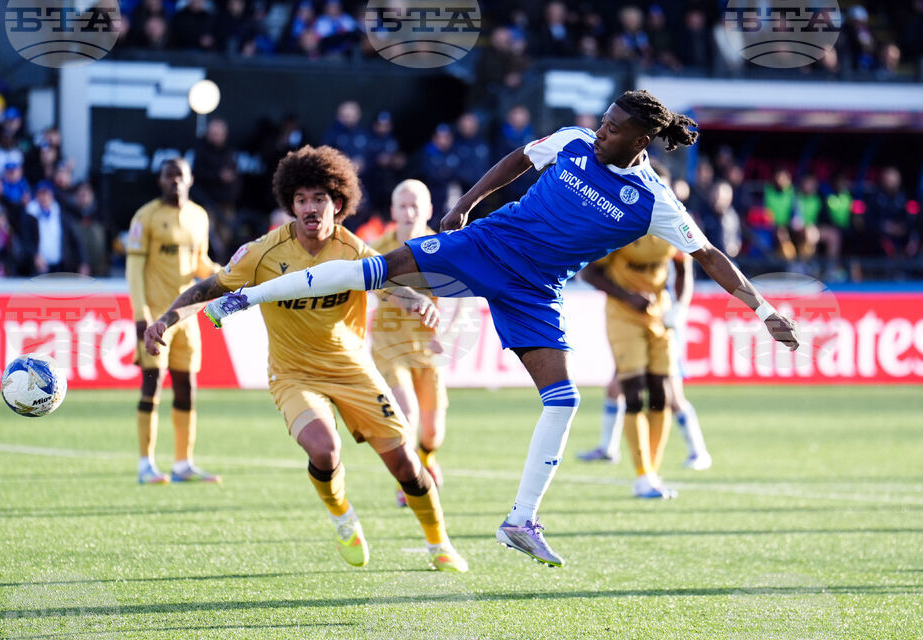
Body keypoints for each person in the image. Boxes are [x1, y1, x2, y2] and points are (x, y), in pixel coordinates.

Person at [202, 90, 800, 567]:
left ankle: (521, 520)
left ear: (641, 140)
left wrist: (765, 311)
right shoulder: (571, 142)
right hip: (487, 244)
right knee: (370, 270)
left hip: (536, 291)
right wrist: (467, 202)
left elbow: (712, 257)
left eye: (613, 127)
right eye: (602, 120)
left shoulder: (654, 202)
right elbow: (519, 160)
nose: (600, 130)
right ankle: (246, 297)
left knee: (562, 401)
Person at [143, 146, 468, 572]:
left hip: (352, 370)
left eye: (319, 199)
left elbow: (389, 283)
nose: (310, 208)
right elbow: (210, 288)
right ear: (290, 204)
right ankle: (342, 517)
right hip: (293, 373)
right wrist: (165, 320)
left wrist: (415, 302)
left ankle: (438, 543)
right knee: (324, 449)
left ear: (338, 202)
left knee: (405, 462)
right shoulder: (262, 252)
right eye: (301, 200)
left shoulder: (354, 251)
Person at [580, 239, 705, 498]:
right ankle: (642, 475)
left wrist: (680, 307)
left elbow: (684, 271)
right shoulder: (622, 229)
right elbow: (589, 272)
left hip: (660, 316)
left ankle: (652, 474)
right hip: (623, 316)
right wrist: (627, 296)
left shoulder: (672, 227)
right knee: (633, 391)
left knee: (663, 395)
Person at [125, 158, 221, 485]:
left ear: (190, 179)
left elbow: (200, 263)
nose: (175, 182)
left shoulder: (199, 217)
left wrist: (225, 274)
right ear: (160, 181)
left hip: (187, 317)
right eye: (169, 177)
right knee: (152, 384)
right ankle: (145, 464)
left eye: (180, 176)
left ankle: (183, 463)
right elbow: (134, 271)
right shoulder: (145, 217)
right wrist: (141, 316)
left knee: (186, 388)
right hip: (155, 317)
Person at [371, 180, 448, 507]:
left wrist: (446, 333)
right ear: (393, 211)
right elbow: (375, 285)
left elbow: (459, 296)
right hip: (389, 348)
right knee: (407, 412)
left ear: (429, 210)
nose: (409, 212)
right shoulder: (378, 248)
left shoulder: (442, 246)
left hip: (427, 351)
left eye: (416, 205)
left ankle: (426, 457)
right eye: (402, 206)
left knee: (432, 432)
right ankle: (410, 481)